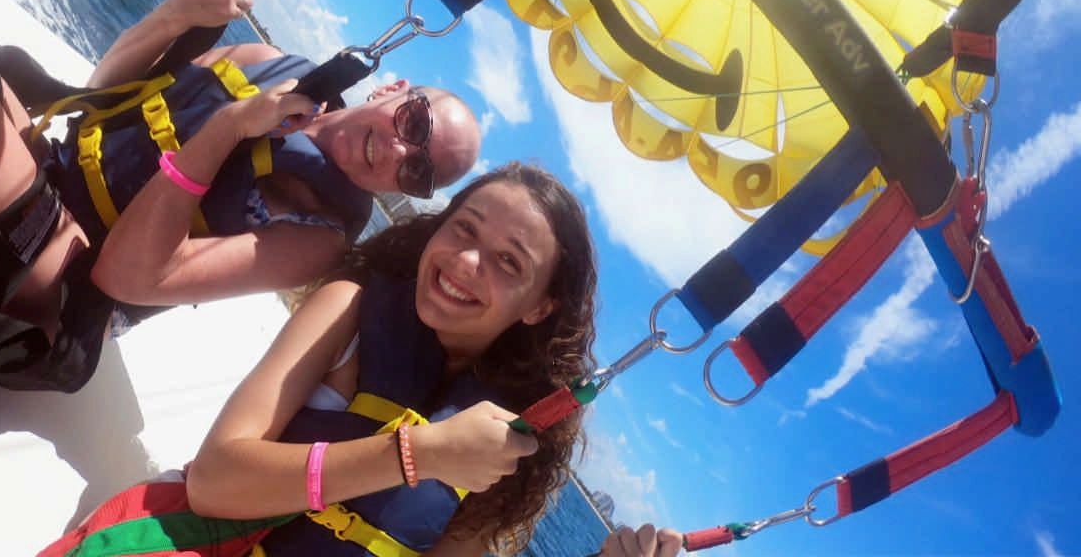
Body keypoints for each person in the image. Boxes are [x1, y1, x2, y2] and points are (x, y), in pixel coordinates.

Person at [0, 0, 481, 393]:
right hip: (39, 183)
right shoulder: (266, 61)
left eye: (419, 171)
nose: (398, 150)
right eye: (414, 122)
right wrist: (181, 10)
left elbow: (126, 281)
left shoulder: (320, 233)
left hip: (55, 300)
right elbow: (105, 96)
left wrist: (224, 133)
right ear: (394, 89)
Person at [40, 162, 685, 557]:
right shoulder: (349, 307)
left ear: (539, 308)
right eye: (464, 227)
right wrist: (420, 455)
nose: (464, 262)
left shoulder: (509, 442)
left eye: (507, 262)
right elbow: (215, 480)